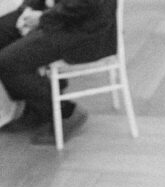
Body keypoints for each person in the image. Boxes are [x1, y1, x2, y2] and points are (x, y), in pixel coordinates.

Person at [0, 0, 117, 144]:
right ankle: (38, 108)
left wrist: (42, 17)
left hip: (83, 28)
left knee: (7, 63)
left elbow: (87, 4)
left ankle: (64, 112)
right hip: (61, 16)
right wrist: (28, 8)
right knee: (2, 31)